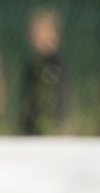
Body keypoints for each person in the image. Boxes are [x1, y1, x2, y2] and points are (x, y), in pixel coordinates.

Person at [20, 7, 67, 135]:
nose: (41, 39)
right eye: (37, 35)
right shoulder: (31, 63)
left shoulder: (57, 62)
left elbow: (62, 93)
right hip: (32, 121)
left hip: (53, 119)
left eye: (45, 34)